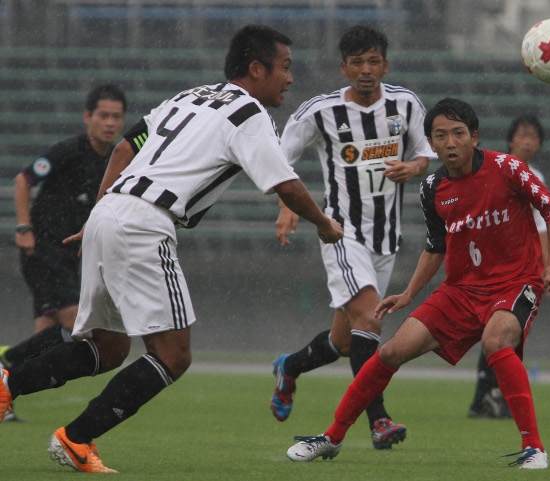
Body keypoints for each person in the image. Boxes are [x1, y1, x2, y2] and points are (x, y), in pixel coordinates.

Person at [0, 24, 343, 473]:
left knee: (108, 349)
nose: (290, 78)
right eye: (285, 68)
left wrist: (100, 213)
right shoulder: (249, 113)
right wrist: (323, 224)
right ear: (256, 69)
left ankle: (8, 384)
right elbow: (285, 184)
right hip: (144, 223)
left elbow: (124, 147)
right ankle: (75, 439)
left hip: (111, 213)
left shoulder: (189, 96)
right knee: (173, 356)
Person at [286, 97, 550, 470]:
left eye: (458, 134)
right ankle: (332, 437)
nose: (450, 142)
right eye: (440, 135)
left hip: (516, 282)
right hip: (462, 290)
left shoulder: (508, 168)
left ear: (474, 137)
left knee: (496, 340)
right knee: (389, 352)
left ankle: (534, 448)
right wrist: (409, 294)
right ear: (431, 144)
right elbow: (436, 248)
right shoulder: (432, 186)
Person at [270, 25, 434, 450]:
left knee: (344, 343)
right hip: (341, 233)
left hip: (386, 238)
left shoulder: (405, 104)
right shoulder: (319, 111)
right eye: (357, 62)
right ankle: (379, 420)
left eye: (373, 61)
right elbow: (278, 159)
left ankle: (289, 366)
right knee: (370, 320)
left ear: (385, 64)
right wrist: (288, 205)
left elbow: (427, 153)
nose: (366, 70)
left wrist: (413, 168)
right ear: (343, 67)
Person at [0, 84, 127, 422]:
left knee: (47, 333)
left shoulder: (117, 160)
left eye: (116, 116)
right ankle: (5, 366)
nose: (110, 122)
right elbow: (23, 179)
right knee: (77, 325)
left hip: (75, 257)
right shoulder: (67, 151)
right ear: (88, 117)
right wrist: (24, 228)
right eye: (103, 115)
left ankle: (7, 389)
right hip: (44, 251)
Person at [468, 113, 550, 419]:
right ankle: (488, 396)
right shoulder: (495, 168)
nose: (528, 141)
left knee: (499, 330)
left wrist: (547, 268)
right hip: (495, 262)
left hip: (518, 265)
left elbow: (542, 223)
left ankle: (486, 397)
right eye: (523, 135)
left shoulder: (535, 176)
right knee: (499, 331)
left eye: (534, 136)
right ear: (511, 138)